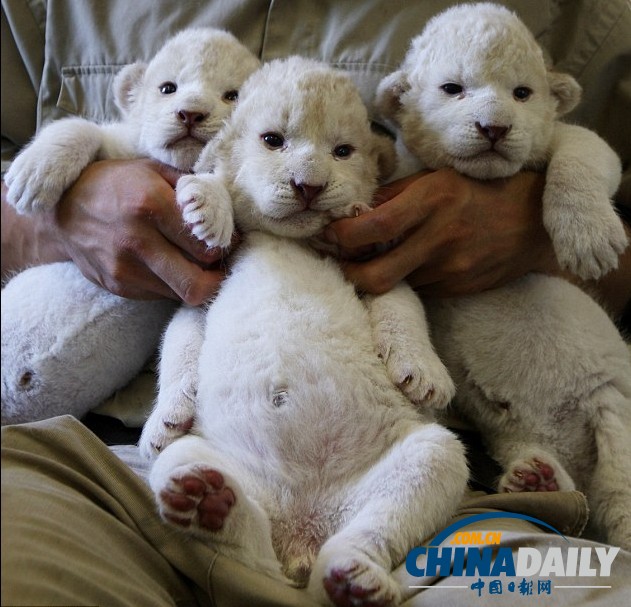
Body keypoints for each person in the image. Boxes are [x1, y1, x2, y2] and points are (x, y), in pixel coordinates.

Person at [1, 1, 630, 605]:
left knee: (600, 591)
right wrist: (52, 220)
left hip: (456, 491)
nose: (307, 176)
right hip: (120, 460)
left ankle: (358, 546)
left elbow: (610, 221)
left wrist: (543, 231)